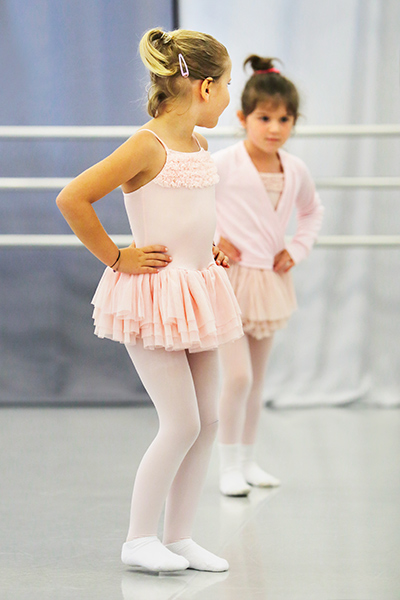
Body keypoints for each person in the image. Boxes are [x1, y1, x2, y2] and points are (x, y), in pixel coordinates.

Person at [56, 27, 242, 572]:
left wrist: (207, 246)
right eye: (228, 86)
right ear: (205, 87)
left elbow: (185, 211)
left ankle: (179, 536)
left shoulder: (200, 144)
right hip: (154, 297)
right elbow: (73, 198)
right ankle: (139, 538)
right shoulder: (147, 144)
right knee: (180, 421)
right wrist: (117, 258)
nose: (229, 97)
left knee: (208, 419)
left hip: (199, 289)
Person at [213, 55, 323, 497]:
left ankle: (247, 459)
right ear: (243, 118)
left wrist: (295, 249)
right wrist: (215, 240)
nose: (274, 128)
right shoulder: (223, 162)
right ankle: (225, 465)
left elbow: (312, 212)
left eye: (284, 119)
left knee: (256, 379)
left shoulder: (294, 170)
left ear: (294, 122)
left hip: (269, 283)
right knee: (235, 376)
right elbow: (192, 206)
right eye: (264, 118)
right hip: (229, 280)